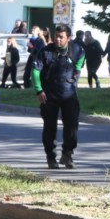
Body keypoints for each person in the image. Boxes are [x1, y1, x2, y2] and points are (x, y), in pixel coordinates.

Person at [31, 24, 86, 169]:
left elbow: (81, 57)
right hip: (49, 94)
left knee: (72, 125)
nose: (57, 39)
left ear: (68, 38)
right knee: (50, 127)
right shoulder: (45, 51)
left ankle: (67, 154)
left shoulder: (76, 49)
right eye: (56, 36)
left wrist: (77, 69)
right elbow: (35, 71)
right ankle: (51, 157)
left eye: (61, 37)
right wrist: (39, 90)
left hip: (69, 93)